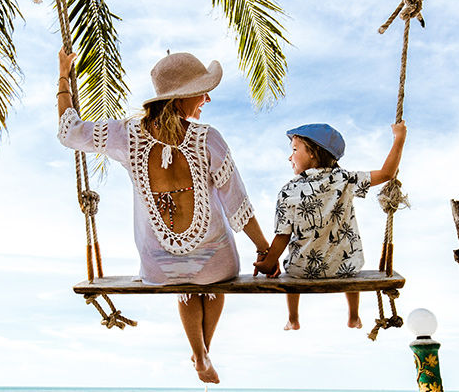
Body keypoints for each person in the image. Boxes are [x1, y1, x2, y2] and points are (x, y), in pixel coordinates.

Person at [55, 49, 272, 383]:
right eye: (202, 90)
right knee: (215, 281)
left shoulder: (126, 135)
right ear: (183, 97)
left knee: (183, 284)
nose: (208, 98)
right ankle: (202, 355)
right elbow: (237, 205)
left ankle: (200, 355)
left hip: (159, 264)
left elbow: (70, 133)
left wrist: (63, 76)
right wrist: (264, 250)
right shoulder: (208, 139)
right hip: (217, 261)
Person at [253, 122, 406, 330]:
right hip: (345, 269)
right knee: (349, 256)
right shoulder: (346, 179)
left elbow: (283, 235)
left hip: (302, 270)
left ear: (314, 153)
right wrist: (399, 137)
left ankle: (293, 318)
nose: (290, 157)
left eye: (295, 150)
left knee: (291, 268)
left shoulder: (288, 190)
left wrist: (269, 263)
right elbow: (387, 173)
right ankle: (353, 316)